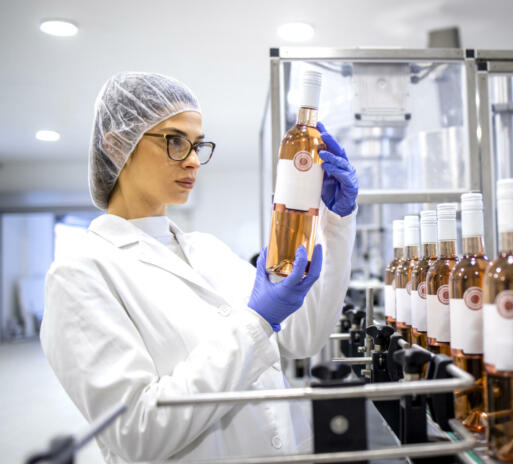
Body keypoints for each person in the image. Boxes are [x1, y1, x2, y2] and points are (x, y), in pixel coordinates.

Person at [39, 72, 358, 463]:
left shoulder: (208, 250)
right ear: (118, 144)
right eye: (175, 142)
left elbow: (302, 338)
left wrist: (336, 223)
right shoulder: (80, 273)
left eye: (198, 145)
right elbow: (136, 432)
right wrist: (257, 322)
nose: (193, 160)